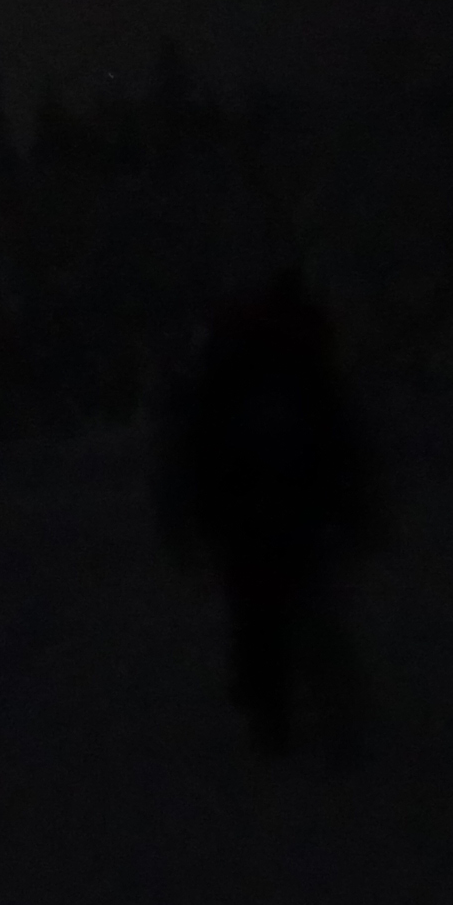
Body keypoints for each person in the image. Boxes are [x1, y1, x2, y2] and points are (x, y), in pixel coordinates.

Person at [157, 268, 382, 756]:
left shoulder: (243, 369)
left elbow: (194, 451)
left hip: (254, 511)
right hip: (284, 508)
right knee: (297, 611)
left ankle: (280, 712)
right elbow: (343, 441)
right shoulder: (294, 367)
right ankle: (312, 716)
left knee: (265, 611)